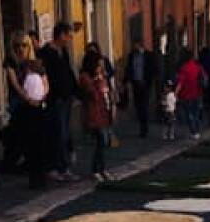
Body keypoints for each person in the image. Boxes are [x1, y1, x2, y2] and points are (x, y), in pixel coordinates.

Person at [3, 34, 50, 189]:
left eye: (24, 45)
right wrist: (28, 99)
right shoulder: (11, 63)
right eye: (17, 46)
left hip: (38, 107)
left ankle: (41, 176)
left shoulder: (36, 64)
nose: (20, 49)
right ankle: (32, 175)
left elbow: (46, 83)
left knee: (41, 142)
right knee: (27, 143)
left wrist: (41, 98)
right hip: (22, 107)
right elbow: (15, 84)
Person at [39, 22, 80, 181]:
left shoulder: (63, 51)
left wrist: (76, 91)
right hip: (55, 99)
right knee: (58, 133)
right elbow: (47, 76)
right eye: (69, 35)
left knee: (63, 133)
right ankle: (56, 167)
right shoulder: (46, 53)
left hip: (66, 98)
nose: (70, 39)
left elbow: (68, 72)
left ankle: (62, 167)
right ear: (61, 35)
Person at [79, 45, 116, 183]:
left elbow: (106, 91)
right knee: (101, 140)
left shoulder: (100, 77)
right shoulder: (86, 77)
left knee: (104, 142)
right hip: (93, 113)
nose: (101, 68)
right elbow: (93, 94)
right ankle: (96, 169)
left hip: (104, 111)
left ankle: (102, 168)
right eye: (99, 65)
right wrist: (98, 81)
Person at [122, 38, 155, 138]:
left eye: (135, 45)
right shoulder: (131, 56)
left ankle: (144, 128)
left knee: (144, 106)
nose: (133, 47)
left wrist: (149, 80)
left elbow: (153, 69)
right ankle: (142, 123)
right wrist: (125, 81)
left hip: (145, 84)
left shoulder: (149, 55)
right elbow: (128, 69)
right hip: (135, 83)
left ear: (140, 45)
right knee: (138, 106)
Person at [175, 49, 206, 138]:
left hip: (186, 94)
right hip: (198, 93)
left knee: (189, 114)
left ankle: (194, 131)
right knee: (196, 113)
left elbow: (180, 82)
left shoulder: (184, 68)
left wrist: (175, 94)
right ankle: (197, 130)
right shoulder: (198, 66)